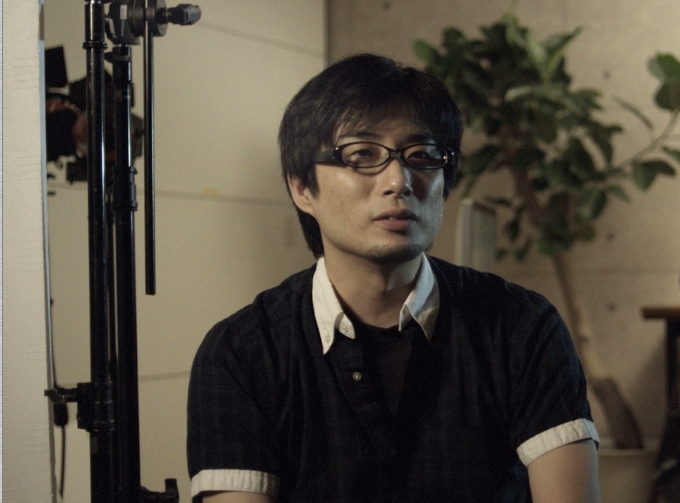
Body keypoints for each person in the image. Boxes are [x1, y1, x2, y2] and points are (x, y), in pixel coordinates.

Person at [187, 53, 601, 503]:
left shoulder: (520, 326)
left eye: (421, 155)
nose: (398, 181)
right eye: (362, 155)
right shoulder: (244, 351)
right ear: (302, 188)